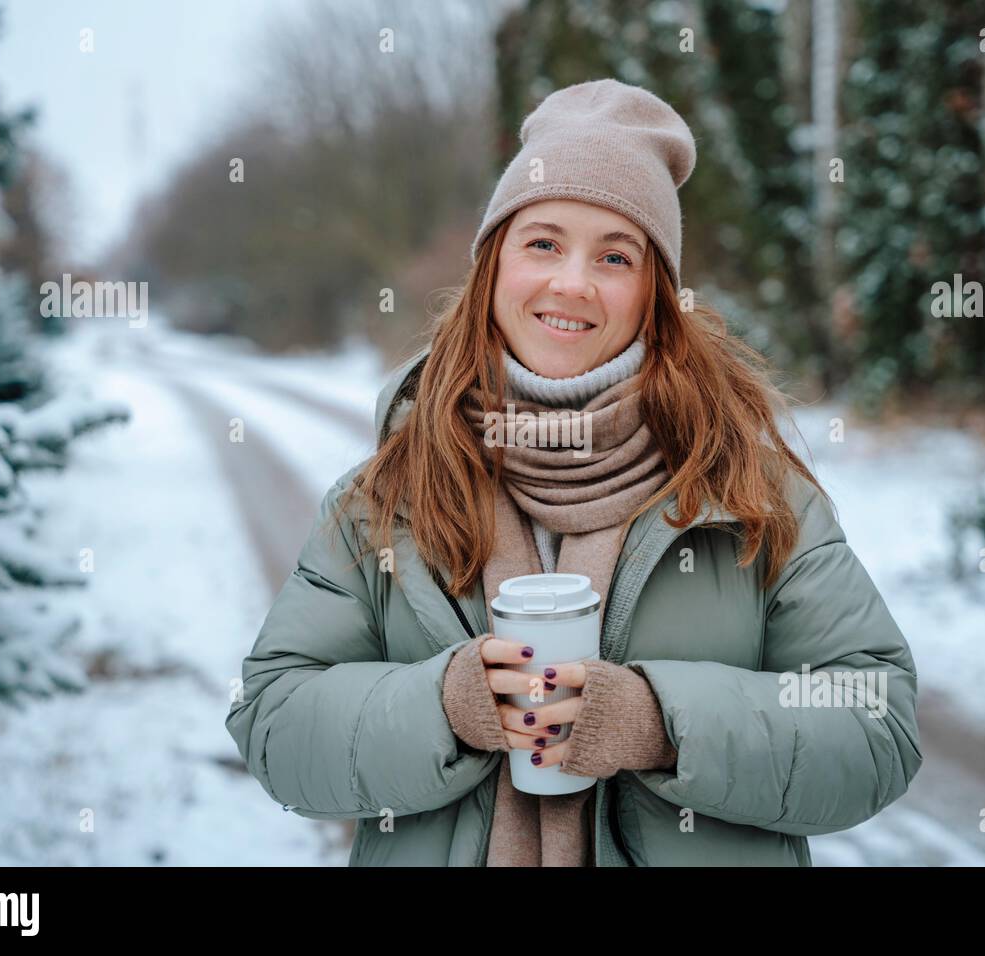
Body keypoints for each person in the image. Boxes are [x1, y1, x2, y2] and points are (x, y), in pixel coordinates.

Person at [226, 78, 922, 866]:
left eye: (616, 256)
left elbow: (878, 724)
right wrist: (445, 706)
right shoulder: (388, 497)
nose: (573, 283)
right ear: (495, 266)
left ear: (653, 296)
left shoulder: (746, 491)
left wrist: (660, 722)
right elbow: (273, 719)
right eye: (544, 242)